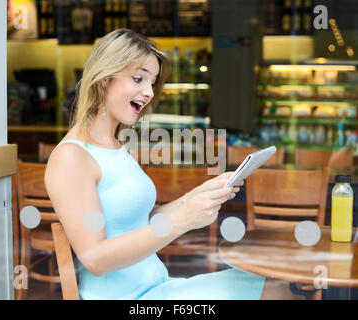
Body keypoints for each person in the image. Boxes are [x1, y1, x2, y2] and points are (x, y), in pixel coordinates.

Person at [45, 29, 299, 300]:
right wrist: (181, 220)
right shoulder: (71, 157)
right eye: (138, 78)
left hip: (158, 287)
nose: (148, 92)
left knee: (275, 282)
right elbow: (95, 259)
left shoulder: (114, 145)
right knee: (276, 291)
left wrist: (195, 198)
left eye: (152, 82)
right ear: (104, 78)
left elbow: (143, 223)